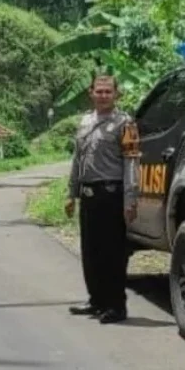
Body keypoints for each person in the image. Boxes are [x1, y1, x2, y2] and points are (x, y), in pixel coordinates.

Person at [63, 73, 140, 324]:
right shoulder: (85, 122)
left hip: (112, 195)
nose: (104, 95)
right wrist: (71, 193)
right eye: (99, 91)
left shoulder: (125, 124)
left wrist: (130, 200)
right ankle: (96, 300)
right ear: (91, 92)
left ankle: (116, 305)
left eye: (108, 91)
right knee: (90, 252)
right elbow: (77, 160)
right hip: (89, 196)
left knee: (112, 254)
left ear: (116, 94)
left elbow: (131, 162)